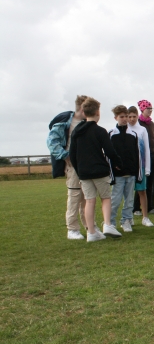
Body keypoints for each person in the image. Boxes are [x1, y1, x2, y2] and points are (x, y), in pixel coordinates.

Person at [69, 97, 123, 242]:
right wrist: (118, 163)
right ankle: (107, 224)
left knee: (89, 201)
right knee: (105, 198)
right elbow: (110, 151)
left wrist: (79, 170)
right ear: (98, 112)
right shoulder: (100, 131)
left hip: (83, 173)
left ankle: (91, 232)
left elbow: (72, 154)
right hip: (100, 171)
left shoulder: (76, 132)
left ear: (83, 112)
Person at [46, 95, 93, 240]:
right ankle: (72, 229)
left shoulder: (87, 123)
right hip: (73, 167)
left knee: (87, 197)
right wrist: (66, 156)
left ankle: (90, 227)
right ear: (82, 108)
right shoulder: (64, 123)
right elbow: (52, 142)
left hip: (86, 165)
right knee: (74, 197)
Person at [108, 105, 141, 233]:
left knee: (129, 200)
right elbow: (108, 155)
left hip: (131, 173)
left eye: (126, 116)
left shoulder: (133, 134)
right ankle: (110, 222)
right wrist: (111, 174)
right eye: (121, 116)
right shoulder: (111, 134)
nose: (125, 119)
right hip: (117, 174)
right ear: (116, 118)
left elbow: (137, 154)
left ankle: (126, 220)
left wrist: (138, 173)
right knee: (115, 200)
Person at [127, 106, 154, 227]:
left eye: (134, 116)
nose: (132, 119)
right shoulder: (124, 129)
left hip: (141, 166)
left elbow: (147, 149)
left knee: (142, 191)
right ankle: (128, 217)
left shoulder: (142, 130)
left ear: (137, 116)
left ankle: (145, 217)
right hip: (128, 167)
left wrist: (147, 168)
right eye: (130, 116)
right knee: (128, 193)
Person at [134, 100, 154, 215]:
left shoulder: (151, 124)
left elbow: (152, 140)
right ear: (142, 109)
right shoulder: (138, 123)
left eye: (151, 109)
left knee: (150, 183)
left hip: (152, 154)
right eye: (148, 109)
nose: (150, 111)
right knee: (140, 182)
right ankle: (136, 208)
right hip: (142, 155)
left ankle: (149, 206)